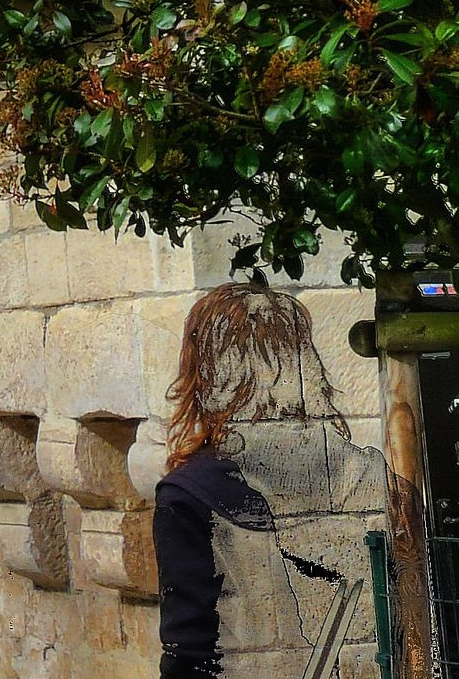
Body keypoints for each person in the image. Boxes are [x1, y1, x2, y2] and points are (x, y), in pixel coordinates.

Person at [154, 282, 388, 679]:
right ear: (306, 364)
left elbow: (189, 653)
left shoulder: (190, 495)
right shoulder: (371, 473)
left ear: (208, 371)